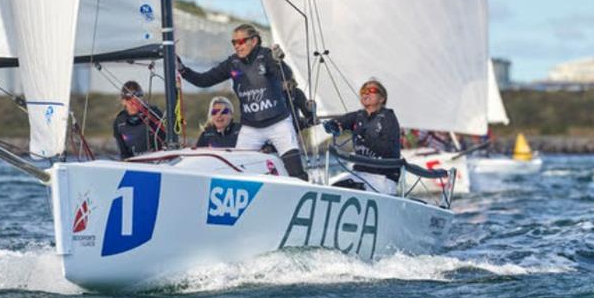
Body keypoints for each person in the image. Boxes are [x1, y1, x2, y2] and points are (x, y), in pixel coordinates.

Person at [178, 23, 307, 180]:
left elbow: (286, 76)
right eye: (234, 43)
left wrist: (279, 62)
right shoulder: (232, 63)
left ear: (254, 41)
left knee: (296, 172)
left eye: (241, 41)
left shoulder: (266, 56)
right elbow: (204, 80)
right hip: (251, 128)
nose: (237, 46)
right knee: (237, 173)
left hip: (278, 123)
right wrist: (182, 69)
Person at [323, 79, 401, 194]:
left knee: (349, 189)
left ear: (382, 98)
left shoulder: (389, 118)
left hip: (382, 178)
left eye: (372, 90)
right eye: (363, 91)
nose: (366, 93)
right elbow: (342, 121)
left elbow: (387, 148)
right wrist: (332, 125)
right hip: (359, 174)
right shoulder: (359, 116)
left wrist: (367, 138)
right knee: (330, 189)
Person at [113, 81, 165, 159]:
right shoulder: (119, 122)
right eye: (128, 98)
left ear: (142, 99)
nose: (133, 102)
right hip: (135, 164)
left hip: (158, 161)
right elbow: (123, 154)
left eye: (137, 98)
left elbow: (166, 139)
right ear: (123, 101)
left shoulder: (154, 114)